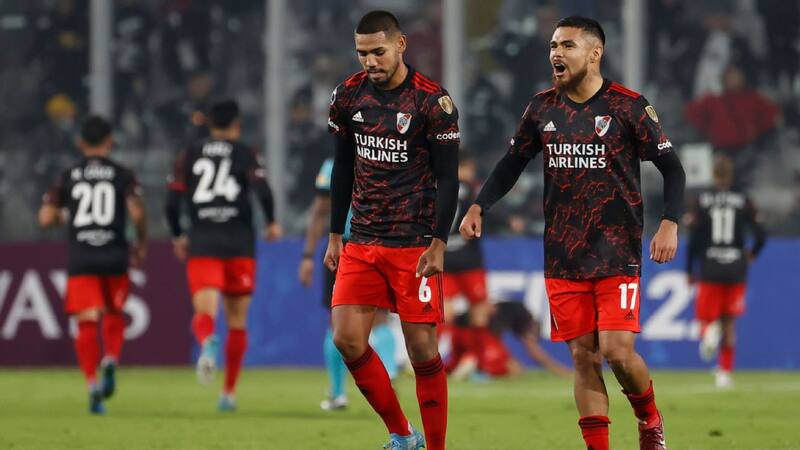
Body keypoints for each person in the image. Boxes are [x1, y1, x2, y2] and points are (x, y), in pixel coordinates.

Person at [460, 16, 686, 450]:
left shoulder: (628, 107)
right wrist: (478, 204)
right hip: (563, 256)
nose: (556, 54)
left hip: (617, 251)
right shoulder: (541, 108)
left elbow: (672, 168)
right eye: (552, 46)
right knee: (584, 358)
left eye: (566, 46)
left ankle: (649, 419)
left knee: (618, 352)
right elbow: (511, 163)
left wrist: (670, 222)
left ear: (594, 52)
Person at [323, 10, 460, 450]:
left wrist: (439, 242)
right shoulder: (347, 96)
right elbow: (343, 167)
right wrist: (333, 234)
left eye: (378, 51)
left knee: (422, 352)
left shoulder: (431, 102)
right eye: (362, 53)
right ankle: (402, 434)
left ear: (401, 44)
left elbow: (449, 179)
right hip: (362, 239)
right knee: (346, 339)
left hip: (413, 244)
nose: (369, 61)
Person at [165, 99, 281, 411]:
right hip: (239, 243)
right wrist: (270, 222)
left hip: (202, 241)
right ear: (237, 124)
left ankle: (206, 342)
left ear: (209, 124)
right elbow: (262, 190)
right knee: (238, 321)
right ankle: (228, 393)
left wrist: (178, 235)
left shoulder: (189, 153)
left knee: (205, 312)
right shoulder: (246, 152)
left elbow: (171, 202)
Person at [39, 115, 148, 414]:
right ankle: (110, 358)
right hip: (114, 254)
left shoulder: (68, 175)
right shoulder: (122, 174)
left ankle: (91, 385)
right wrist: (140, 242)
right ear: (110, 142)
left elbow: (46, 218)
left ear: (81, 143)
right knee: (114, 313)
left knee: (86, 321)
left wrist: (64, 215)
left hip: (82, 256)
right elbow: (137, 213)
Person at [298, 157, 398, 411]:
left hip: (348, 247)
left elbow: (320, 210)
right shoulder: (389, 157)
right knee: (381, 319)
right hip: (380, 245)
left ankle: (337, 392)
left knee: (338, 323)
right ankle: (388, 383)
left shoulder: (333, 165)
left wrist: (308, 256)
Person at [685, 155, 766, 388]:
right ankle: (724, 373)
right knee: (729, 321)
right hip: (735, 266)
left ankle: (710, 331)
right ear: (730, 175)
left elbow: (693, 238)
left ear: (713, 175)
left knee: (705, 318)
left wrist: (690, 269)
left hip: (710, 265)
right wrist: (752, 254)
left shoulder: (701, 200)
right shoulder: (743, 199)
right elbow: (761, 234)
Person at [446, 300, 572, 379]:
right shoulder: (522, 318)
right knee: (502, 365)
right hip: (476, 330)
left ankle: (471, 366)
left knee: (462, 361)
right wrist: (561, 371)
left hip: (465, 330)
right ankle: (474, 368)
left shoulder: (511, 314)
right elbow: (534, 351)